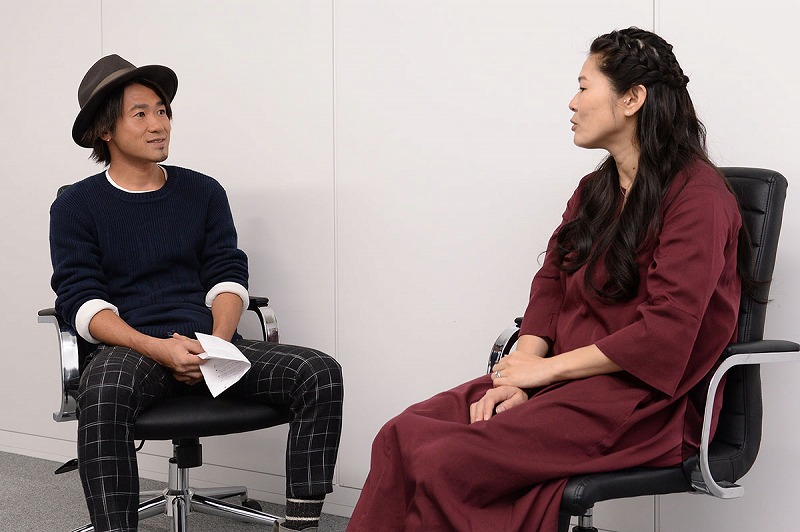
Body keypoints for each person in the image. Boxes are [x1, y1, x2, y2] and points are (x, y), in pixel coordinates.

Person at [347, 27, 746, 531]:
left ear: (632, 99)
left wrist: (543, 375)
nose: (572, 103)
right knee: (402, 434)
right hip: (563, 381)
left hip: (644, 403)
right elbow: (551, 283)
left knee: (447, 460)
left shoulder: (699, 198)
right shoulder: (595, 189)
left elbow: (664, 334)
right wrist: (523, 370)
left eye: (583, 86)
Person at [49, 54, 344, 532]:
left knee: (319, 373)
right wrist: (157, 348)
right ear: (105, 130)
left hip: (208, 343)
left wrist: (217, 343)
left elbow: (227, 274)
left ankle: (301, 524)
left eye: (162, 111)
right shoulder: (76, 205)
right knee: (102, 390)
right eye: (140, 114)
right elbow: (80, 298)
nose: (158, 124)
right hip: (133, 348)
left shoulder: (203, 191)